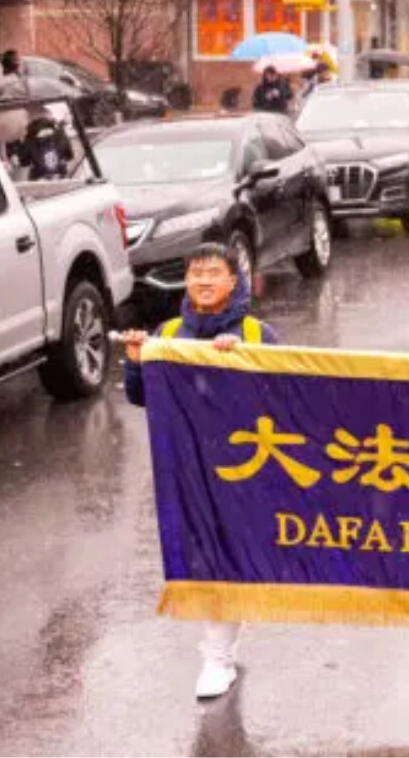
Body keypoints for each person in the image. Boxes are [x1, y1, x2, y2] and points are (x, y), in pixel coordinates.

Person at [120, 242, 280, 700]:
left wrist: (242, 363)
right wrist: (136, 362)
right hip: (188, 468)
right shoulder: (168, 332)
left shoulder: (256, 332)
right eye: (195, 273)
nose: (204, 281)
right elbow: (142, 396)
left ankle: (221, 647)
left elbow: (285, 396)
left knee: (231, 559)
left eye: (214, 272)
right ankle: (218, 653)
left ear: (235, 281)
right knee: (208, 560)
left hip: (247, 471)